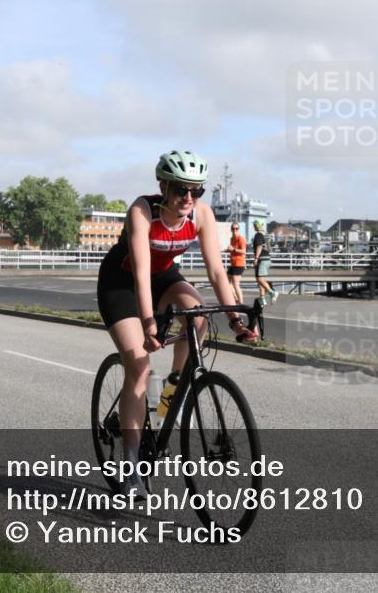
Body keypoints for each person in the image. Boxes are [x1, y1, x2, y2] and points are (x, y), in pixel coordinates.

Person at [96, 150, 257, 497]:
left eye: (196, 190)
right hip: (121, 282)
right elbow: (140, 274)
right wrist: (149, 325)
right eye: (181, 189)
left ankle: (171, 392)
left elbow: (217, 273)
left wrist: (235, 320)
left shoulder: (201, 214)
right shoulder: (142, 211)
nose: (188, 197)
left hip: (164, 277)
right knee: (139, 366)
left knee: (198, 315)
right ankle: (131, 466)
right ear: (164, 187)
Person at [252, 220, 277, 306]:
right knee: (261, 280)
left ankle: (272, 292)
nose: (254, 226)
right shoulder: (265, 234)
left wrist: (256, 258)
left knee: (260, 279)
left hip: (262, 259)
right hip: (267, 259)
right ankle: (262, 299)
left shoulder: (259, 234)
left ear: (258, 225)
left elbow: (259, 246)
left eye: (255, 225)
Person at [225, 222, 246, 304]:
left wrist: (233, 249)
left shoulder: (240, 239)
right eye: (233, 228)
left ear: (238, 229)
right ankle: (235, 298)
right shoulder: (232, 239)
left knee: (235, 284)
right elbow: (232, 250)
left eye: (236, 228)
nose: (235, 230)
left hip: (239, 263)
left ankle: (241, 302)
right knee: (227, 282)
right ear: (231, 229)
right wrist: (227, 250)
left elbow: (243, 251)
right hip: (233, 264)